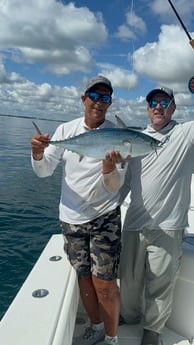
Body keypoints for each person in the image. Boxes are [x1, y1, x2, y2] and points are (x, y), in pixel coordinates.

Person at [31, 76, 129, 345]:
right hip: (71, 218)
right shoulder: (65, 131)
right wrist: (38, 154)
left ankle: (112, 339)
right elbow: (44, 172)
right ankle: (96, 326)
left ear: (110, 104)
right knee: (83, 277)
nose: (99, 102)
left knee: (105, 283)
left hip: (105, 215)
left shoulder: (118, 136)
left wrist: (109, 168)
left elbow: (114, 187)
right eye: (94, 96)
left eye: (105, 98)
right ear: (83, 99)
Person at [104, 86, 194, 345]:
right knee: (129, 281)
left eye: (164, 102)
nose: (158, 106)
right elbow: (125, 184)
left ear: (174, 108)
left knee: (160, 285)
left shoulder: (185, 134)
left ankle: (153, 330)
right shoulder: (134, 139)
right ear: (147, 108)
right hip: (133, 223)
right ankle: (130, 317)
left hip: (168, 226)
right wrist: (107, 212)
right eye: (153, 102)